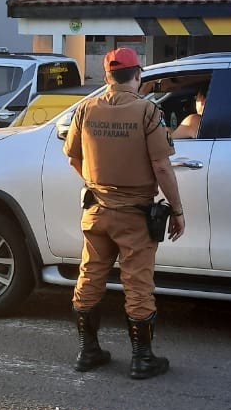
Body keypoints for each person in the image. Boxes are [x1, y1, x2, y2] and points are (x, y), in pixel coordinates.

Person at [63, 47, 186, 379]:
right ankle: (142, 359)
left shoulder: (85, 109)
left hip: (97, 212)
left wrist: (98, 184)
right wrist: (176, 210)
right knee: (138, 285)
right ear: (137, 74)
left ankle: (88, 353)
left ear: (106, 76)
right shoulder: (148, 112)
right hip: (135, 215)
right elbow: (161, 165)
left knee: (89, 278)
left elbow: (74, 157)